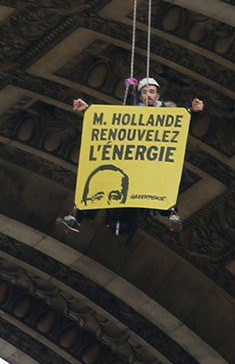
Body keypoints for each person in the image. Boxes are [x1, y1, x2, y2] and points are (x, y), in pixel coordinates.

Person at [60, 76, 203, 241]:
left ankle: (170, 210)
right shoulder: (132, 112)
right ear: (140, 95)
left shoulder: (169, 113)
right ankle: (77, 216)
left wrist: (193, 111)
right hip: (133, 162)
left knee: (179, 177)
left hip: (154, 163)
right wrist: (87, 108)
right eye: (144, 92)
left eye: (152, 92)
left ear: (157, 95)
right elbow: (107, 120)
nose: (148, 95)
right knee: (101, 182)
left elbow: (183, 124)